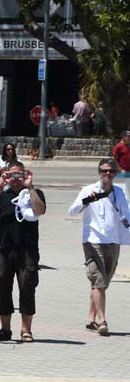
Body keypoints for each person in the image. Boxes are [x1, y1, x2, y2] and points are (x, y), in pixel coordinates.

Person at [0, 161, 46, 342]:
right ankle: (5, 329)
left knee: (27, 288)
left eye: (19, 175)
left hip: (28, 250)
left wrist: (30, 186)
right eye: (12, 175)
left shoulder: (34, 193)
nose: (16, 179)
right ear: (6, 174)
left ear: (25, 174)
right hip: (5, 249)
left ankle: (26, 330)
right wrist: (0, 185)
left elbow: (39, 210)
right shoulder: (2, 194)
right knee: (2, 287)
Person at [68, 159, 129, 336]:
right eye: (103, 171)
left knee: (102, 283)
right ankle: (102, 320)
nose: (107, 174)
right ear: (99, 172)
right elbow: (72, 211)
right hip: (92, 240)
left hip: (113, 240)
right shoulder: (88, 190)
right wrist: (86, 202)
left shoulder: (119, 192)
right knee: (98, 280)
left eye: (110, 171)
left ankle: (90, 319)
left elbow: (127, 214)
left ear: (116, 173)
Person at [113, 131, 130, 205]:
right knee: (121, 189)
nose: (129, 138)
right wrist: (120, 169)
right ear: (123, 137)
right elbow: (115, 160)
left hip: (128, 171)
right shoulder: (118, 146)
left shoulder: (128, 146)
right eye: (128, 136)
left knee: (128, 189)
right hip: (122, 172)